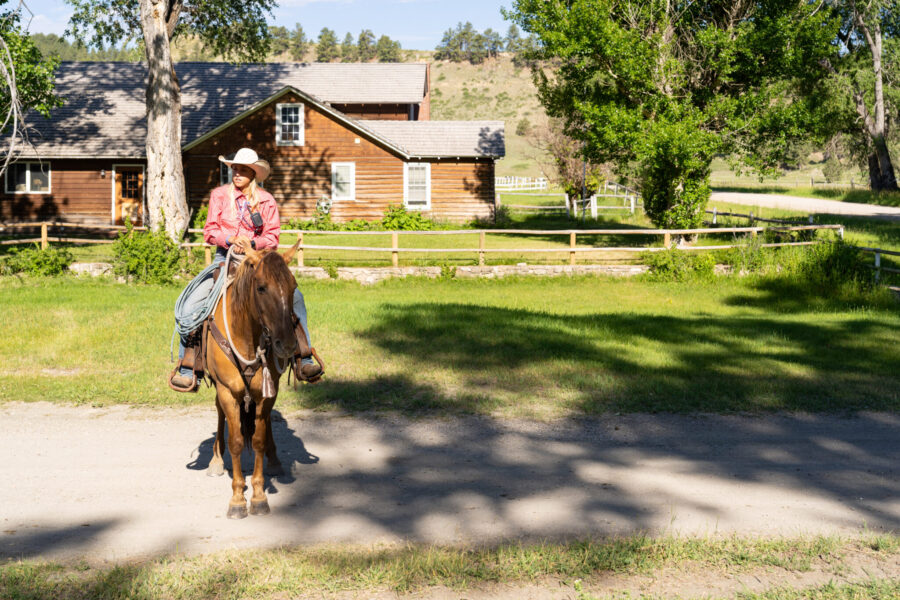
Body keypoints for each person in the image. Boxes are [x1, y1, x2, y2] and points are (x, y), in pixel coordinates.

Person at [169, 147, 323, 391]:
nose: (236, 173)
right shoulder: (219, 195)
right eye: (234, 169)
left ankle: (303, 357)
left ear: (253, 173)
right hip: (225, 260)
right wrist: (231, 241)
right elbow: (210, 232)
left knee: (295, 300)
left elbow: (272, 238)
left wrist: (251, 244)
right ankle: (189, 366)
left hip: (259, 262)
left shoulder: (266, 200)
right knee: (191, 304)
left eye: (242, 170)